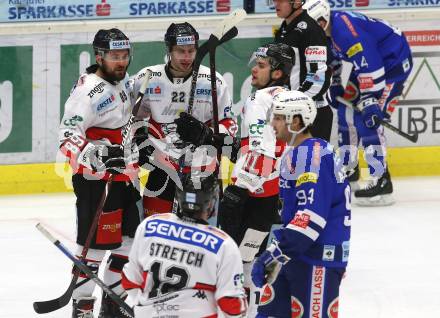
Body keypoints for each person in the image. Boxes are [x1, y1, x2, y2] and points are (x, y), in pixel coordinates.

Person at [58, 28, 142, 317]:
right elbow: (67, 136)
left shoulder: (122, 81)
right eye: (115, 56)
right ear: (99, 56)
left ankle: (113, 303)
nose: (121, 62)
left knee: (130, 244)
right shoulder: (87, 91)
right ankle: (82, 307)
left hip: (125, 176)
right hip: (97, 181)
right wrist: (97, 155)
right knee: (92, 251)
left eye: (125, 55)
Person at [251, 90, 351, 318]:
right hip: (297, 254)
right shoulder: (300, 152)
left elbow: (311, 218)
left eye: (278, 117)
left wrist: (275, 253)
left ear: (295, 121)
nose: (272, 123)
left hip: (318, 259)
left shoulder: (311, 157)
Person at [211, 42, 294, 314]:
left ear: (278, 72)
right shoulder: (290, 97)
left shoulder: (260, 99)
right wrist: (215, 142)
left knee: (233, 264)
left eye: (261, 66)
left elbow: (260, 150)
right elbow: (259, 150)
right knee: (250, 261)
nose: (254, 70)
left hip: (251, 197)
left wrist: (239, 190)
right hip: (270, 197)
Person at [304, 0, 413, 205]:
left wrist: (370, 101)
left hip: (392, 65)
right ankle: (349, 171)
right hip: (371, 66)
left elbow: (371, 64)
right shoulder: (322, 32)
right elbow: (332, 59)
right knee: (346, 113)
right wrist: (335, 83)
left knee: (367, 121)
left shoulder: (345, 31)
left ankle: (380, 181)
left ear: (321, 21)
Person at [131, 22, 236, 217]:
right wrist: (139, 139)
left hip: (201, 169)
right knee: (156, 230)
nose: (187, 57)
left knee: (196, 235)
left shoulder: (213, 80)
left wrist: (208, 135)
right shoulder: (147, 78)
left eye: (191, 51)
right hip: (162, 168)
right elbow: (132, 119)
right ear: (169, 50)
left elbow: (229, 123)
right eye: (180, 51)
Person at [121, 172, 248, 317]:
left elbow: (130, 279)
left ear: (179, 198)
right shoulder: (224, 244)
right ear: (212, 203)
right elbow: (232, 304)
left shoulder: (151, 225)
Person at [271, 0, 333, 141]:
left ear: (297, 2)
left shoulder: (311, 30)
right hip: (292, 112)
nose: (276, 4)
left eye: (281, 0)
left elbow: (319, 77)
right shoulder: (284, 29)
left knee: (312, 162)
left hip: (312, 113)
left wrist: (296, 104)